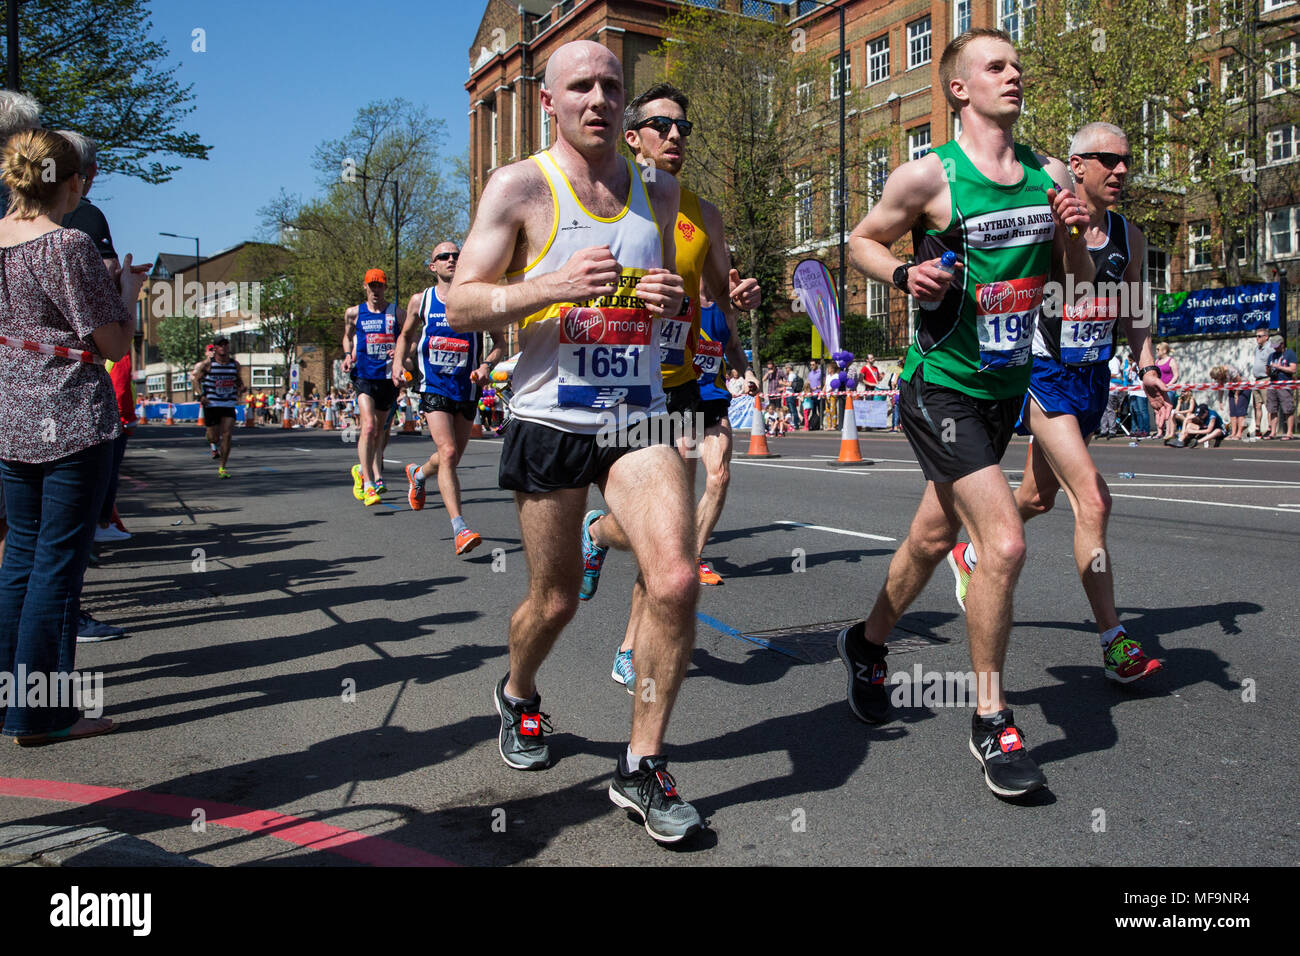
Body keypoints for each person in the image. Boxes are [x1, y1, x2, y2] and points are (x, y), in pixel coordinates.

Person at [447, 41, 702, 843]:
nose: (597, 98)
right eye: (580, 87)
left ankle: (640, 764)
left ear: (625, 105)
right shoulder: (521, 186)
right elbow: (461, 306)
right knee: (554, 601)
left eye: (611, 86)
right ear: (549, 103)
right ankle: (520, 691)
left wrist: (666, 301)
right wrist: (552, 285)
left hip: (636, 415)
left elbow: (660, 304)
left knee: (676, 577)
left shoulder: (657, 190)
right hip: (548, 418)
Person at [838, 28, 1091, 799]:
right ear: (959, 88)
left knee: (930, 535)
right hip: (938, 385)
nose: (1013, 75)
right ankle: (992, 720)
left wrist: (1074, 232)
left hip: (1004, 388)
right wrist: (903, 271)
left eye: (1018, 64)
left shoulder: (1047, 173)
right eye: (996, 66)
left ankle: (867, 643)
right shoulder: (930, 178)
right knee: (1004, 543)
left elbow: (1072, 282)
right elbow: (859, 241)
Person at [947, 120, 1165, 688]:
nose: (1120, 171)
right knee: (1092, 497)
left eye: (1126, 162)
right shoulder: (1043, 228)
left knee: (1038, 498)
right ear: (1077, 165)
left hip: (1092, 381)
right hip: (1043, 376)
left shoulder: (1128, 236)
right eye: (1108, 161)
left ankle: (971, 553)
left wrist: (1146, 368)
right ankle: (1113, 638)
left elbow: (1136, 312)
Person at [582, 81, 761, 629]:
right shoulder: (603, 197)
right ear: (633, 137)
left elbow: (719, 295)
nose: (676, 135)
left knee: (670, 529)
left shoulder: (704, 213)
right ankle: (596, 532)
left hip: (675, 383)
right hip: (613, 381)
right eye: (663, 125)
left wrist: (738, 318)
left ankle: (632, 649)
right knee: (640, 526)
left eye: (684, 126)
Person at [0, 128, 147, 742]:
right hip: (68, 417)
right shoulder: (69, 246)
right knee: (57, 567)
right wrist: (128, 297)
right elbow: (114, 344)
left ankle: (9, 701)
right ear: (73, 183)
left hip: (10, 414)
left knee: (20, 559)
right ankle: (43, 712)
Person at [397, 240, 505, 555]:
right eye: (443, 256)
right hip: (433, 385)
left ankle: (418, 473)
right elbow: (405, 335)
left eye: (456, 255)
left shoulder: (476, 300)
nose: (451, 259)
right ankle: (460, 528)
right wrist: (397, 364)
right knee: (446, 452)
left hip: (467, 387)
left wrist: (486, 365)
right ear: (433, 266)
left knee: (451, 457)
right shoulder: (422, 301)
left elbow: (499, 342)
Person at [342, 269, 403, 506]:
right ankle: (368, 483)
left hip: (387, 379)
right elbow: (347, 337)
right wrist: (348, 355)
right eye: (372, 285)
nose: (376, 290)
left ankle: (362, 470)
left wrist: (399, 350)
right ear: (365, 286)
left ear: (385, 288)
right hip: (364, 377)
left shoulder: (396, 313)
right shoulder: (354, 313)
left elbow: (411, 339)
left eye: (380, 286)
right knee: (368, 427)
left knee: (379, 431)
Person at [190, 335, 244, 478]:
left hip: (228, 403)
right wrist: (200, 395)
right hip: (212, 403)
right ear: (215, 348)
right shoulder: (208, 365)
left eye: (226, 345)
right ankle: (212, 441)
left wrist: (241, 389)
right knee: (213, 437)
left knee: (227, 434)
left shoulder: (235, 364)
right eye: (221, 345)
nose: (224, 347)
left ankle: (222, 467)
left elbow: (239, 381)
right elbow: (195, 381)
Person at [1265, 334, 1296, 440]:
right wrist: (1269, 369)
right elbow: (1267, 371)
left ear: (1282, 344)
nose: (1275, 348)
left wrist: (1279, 367)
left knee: (1288, 409)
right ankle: (1273, 432)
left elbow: (1293, 369)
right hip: (1273, 384)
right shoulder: (1272, 355)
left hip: (1285, 384)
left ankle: (1289, 432)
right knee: (1272, 409)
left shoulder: (1289, 354)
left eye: (1276, 345)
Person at [1209, 365, 1248, 440]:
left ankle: (1239, 434)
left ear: (1219, 374)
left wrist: (1237, 394)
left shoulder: (1230, 370)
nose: (1216, 380)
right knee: (1233, 412)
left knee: (1240, 412)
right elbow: (1221, 387)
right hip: (1232, 389)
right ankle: (1233, 433)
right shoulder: (1221, 377)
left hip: (1243, 387)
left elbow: (1239, 381)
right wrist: (1220, 401)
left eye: (1216, 378)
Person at [1154, 342, 1180, 439]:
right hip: (1159, 389)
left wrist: (1169, 385)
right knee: (1159, 411)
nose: (1156, 351)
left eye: (1158, 349)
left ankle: (1170, 432)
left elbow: (1176, 375)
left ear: (1164, 350)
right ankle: (1160, 432)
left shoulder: (1171, 361)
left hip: (1169, 390)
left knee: (1169, 412)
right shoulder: (1156, 361)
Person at [1250, 328, 1272, 439]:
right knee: (1257, 405)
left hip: (1266, 379)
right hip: (1257, 380)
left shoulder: (1270, 348)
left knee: (1269, 405)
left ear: (1266, 337)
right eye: (1256, 336)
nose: (1257, 338)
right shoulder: (1257, 349)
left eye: (1259, 336)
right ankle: (1257, 429)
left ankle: (1270, 428)